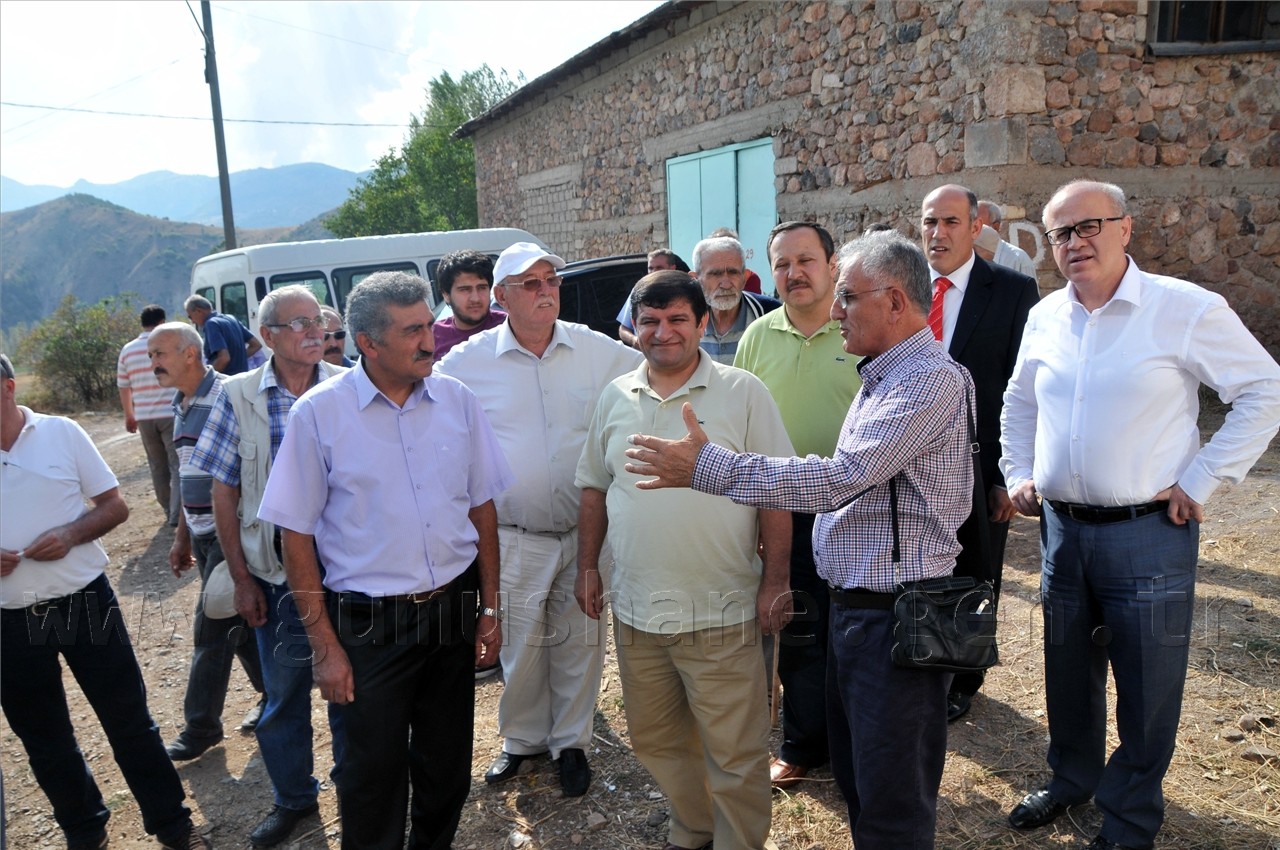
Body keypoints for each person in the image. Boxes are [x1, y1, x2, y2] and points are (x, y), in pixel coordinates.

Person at [622, 231, 976, 850]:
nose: (836, 310)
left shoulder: (925, 381)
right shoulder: (886, 374)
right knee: (862, 774)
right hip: (864, 608)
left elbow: (841, 478)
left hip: (899, 612)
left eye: (848, 297)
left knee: (892, 789)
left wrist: (710, 468)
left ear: (895, 302)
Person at [1000, 179, 1280, 850]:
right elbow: (1018, 405)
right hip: (1063, 532)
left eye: (1090, 225)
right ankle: (1072, 779)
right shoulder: (1045, 316)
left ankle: (1128, 818)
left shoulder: (1183, 308)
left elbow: (1264, 388)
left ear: (1126, 228)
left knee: (1149, 685)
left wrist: (1203, 476)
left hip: (1150, 536)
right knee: (1067, 669)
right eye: (1062, 232)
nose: (1076, 242)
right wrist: (1016, 472)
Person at [257, 270, 512, 850]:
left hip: (452, 610)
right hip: (368, 625)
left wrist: (491, 607)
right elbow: (294, 536)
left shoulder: (457, 400)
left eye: (427, 324)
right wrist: (323, 647)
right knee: (370, 775)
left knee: (447, 765)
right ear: (367, 343)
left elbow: (482, 508)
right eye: (411, 331)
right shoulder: (319, 415)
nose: (429, 341)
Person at [575, 271, 793, 850]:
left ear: (702, 323)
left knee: (735, 750)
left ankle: (738, 842)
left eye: (677, 319)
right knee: (656, 739)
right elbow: (594, 487)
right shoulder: (615, 395)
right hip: (639, 609)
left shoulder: (744, 392)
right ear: (633, 328)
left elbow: (775, 491)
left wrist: (776, 580)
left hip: (722, 607)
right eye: (649, 320)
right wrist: (587, 567)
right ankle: (695, 829)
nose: (662, 332)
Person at [436, 241, 641, 795]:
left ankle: (571, 743)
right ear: (501, 297)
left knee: (580, 638)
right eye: (530, 283)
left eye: (550, 279)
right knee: (521, 644)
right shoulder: (466, 363)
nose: (545, 290)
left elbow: (655, 372)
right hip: (514, 532)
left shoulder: (596, 349)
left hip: (586, 531)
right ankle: (522, 742)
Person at [0, 352, 210, 850]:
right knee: (44, 739)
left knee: (129, 721)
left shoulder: (60, 433)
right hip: (7, 619)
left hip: (83, 602)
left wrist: (71, 533)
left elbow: (115, 505)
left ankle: (174, 827)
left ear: (7, 387)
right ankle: (84, 831)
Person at [189, 285, 346, 848]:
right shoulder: (238, 395)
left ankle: (354, 786)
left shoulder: (348, 386)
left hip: (350, 574)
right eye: (299, 323)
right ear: (269, 337)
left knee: (355, 689)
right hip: (276, 577)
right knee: (284, 697)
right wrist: (240, 576)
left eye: (319, 322)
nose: (314, 332)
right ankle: (295, 801)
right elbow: (223, 490)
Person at [733, 221, 861, 789]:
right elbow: (737, 426)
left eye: (806, 260)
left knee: (859, 631)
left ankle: (860, 740)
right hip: (785, 509)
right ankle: (806, 743)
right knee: (801, 628)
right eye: (782, 264)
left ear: (834, 264)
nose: (794, 273)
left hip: (859, 508)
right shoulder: (758, 337)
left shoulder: (861, 330)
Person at [920, 184, 1040, 722]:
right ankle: (920, 658)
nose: (938, 233)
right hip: (908, 461)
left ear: (976, 227)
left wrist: (1009, 476)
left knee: (975, 570)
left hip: (980, 465)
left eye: (949, 222)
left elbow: (1023, 390)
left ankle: (963, 679)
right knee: (914, 564)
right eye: (928, 222)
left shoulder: (1012, 292)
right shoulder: (901, 289)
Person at [148, 322, 266, 761]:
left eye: (159, 354)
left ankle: (201, 727)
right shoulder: (181, 403)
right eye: (150, 357)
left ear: (189, 354)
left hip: (228, 531)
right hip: (200, 534)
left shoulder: (228, 395)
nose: (153, 364)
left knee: (211, 629)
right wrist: (182, 536)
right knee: (237, 625)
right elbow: (187, 477)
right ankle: (272, 696)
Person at [117, 304, 181, 525]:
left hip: (144, 416)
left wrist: (129, 414)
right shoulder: (167, 346)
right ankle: (176, 514)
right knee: (177, 464)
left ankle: (166, 509)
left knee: (157, 465)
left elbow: (123, 385)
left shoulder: (127, 350)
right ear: (162, 323)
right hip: (170, 413)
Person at [692, 235, 780, 364]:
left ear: (745, 277)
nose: (726, 284)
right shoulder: (687, 319)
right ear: (696, 280)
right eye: (715, 274)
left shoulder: (769, 314)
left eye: (733, 273)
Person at [433, 249, 507, 359]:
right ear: (446, 295)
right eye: (464, 289)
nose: (475, 298)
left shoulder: (509, 327)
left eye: (481, 288)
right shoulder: (433, 336)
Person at [617, 248, 690, 347]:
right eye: (650, 268)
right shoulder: (638, 291)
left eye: (659, 268)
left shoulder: (684, 292)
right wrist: (634, 340)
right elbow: (623, 329)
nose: (654, 272)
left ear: (672, 268)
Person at [184, 294, 262, 375]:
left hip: (226, 381)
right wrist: (238, 359)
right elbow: (256, 345)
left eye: (190, 317)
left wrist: (205, 377)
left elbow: (224, 359)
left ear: (198, 311)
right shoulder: (231, 319)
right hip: (242, 379)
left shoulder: (211, 324)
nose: (192, 321)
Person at [975, 199, 1037, 278]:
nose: (973, 230)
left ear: (996, 227)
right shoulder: (964, 258)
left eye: (979, 225)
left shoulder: (1018, 260)